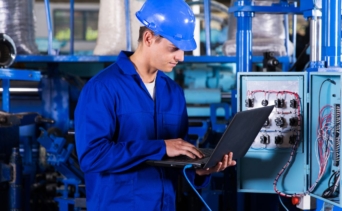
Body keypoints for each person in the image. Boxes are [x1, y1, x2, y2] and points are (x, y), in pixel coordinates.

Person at [74, 0, 236, 210]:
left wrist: (198, 171)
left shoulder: (173, 92)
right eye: (174, 48)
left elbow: (177, 159)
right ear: (149, 38)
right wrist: (160, 146)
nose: (181, 57)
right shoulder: (102, 88)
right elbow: (92, 156)